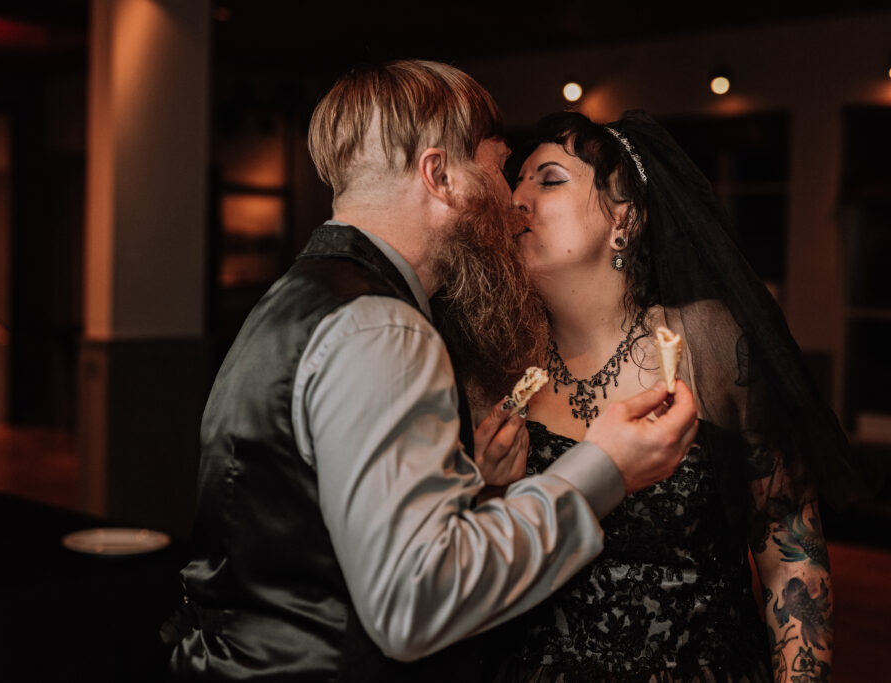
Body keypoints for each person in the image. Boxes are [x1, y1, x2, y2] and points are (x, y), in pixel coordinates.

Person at [165, 62, 699, 682]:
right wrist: (603, 468)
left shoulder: (297, 298)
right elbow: (412, 603)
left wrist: (467, 482)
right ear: (440, 176)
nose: (511, 199)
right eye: (498, 168)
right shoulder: (384, 329)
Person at [438, 110, 874, 682]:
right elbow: (460, 580)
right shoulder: (490, 370)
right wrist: (490, 489)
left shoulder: (706, 347)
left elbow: (788, 550)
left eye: (547, 179)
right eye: (515, 181)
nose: (516, 200)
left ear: (626, 219)